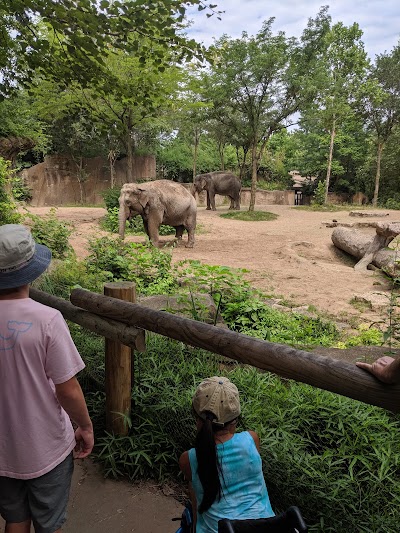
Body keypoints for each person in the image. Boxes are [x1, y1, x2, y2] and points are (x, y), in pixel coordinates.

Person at [0, 224, 94, 533]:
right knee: (48, 524)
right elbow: (67, 389)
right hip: (46, 448)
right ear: (31, 270)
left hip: (2, 450)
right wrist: (84, 425)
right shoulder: (48, 320)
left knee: (14, 520)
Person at [179, 376, 275, 533]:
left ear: (196, 418)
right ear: (235, 420)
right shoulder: (251, 440)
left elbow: (196, 496)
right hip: (267, 528)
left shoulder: (188, 459)